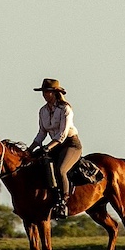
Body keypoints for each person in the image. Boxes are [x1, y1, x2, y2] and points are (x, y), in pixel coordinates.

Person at [28, 79, 81, 222]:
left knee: (61, 170)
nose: (45, 95)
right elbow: (41, 133)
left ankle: (63, 202)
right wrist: (30, 149)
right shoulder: (43, 110)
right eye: (44, 92)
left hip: (71, 144)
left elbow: (62, 135)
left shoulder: (65, 108)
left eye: (48, 92)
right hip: (54, 145)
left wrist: (47, 147)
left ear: (55, 93)